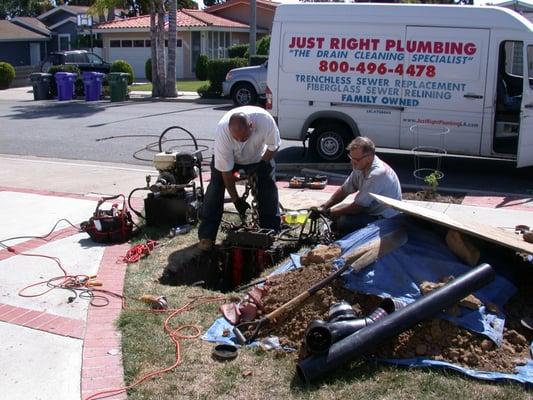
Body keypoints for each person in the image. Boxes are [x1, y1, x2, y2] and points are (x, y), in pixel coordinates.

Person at [197, 106, 281, 250]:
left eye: (244, 137)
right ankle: (207, 236)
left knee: (267, 187)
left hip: (258, 157)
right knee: (216, 187)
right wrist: (236, 200)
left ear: (251, 126)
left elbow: (274, 146)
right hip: (231, 159)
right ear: (230, 131)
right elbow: (226, 173)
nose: (241, 141)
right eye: (236, 138)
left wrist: (261, 164)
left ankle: (271, 230)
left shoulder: (265, 121)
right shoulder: (223, 133)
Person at [318, 136, 401, 236]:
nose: (353, 162)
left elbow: (358, 207)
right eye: (351, 158)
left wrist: (330, 213)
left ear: (369, 157)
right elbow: (344, 190)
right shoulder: (360, 166)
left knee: (343, 221)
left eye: (356, 159)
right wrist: (324, 207)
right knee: (340, 209)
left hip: (385, 218)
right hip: (370, 211)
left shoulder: (377, 173)